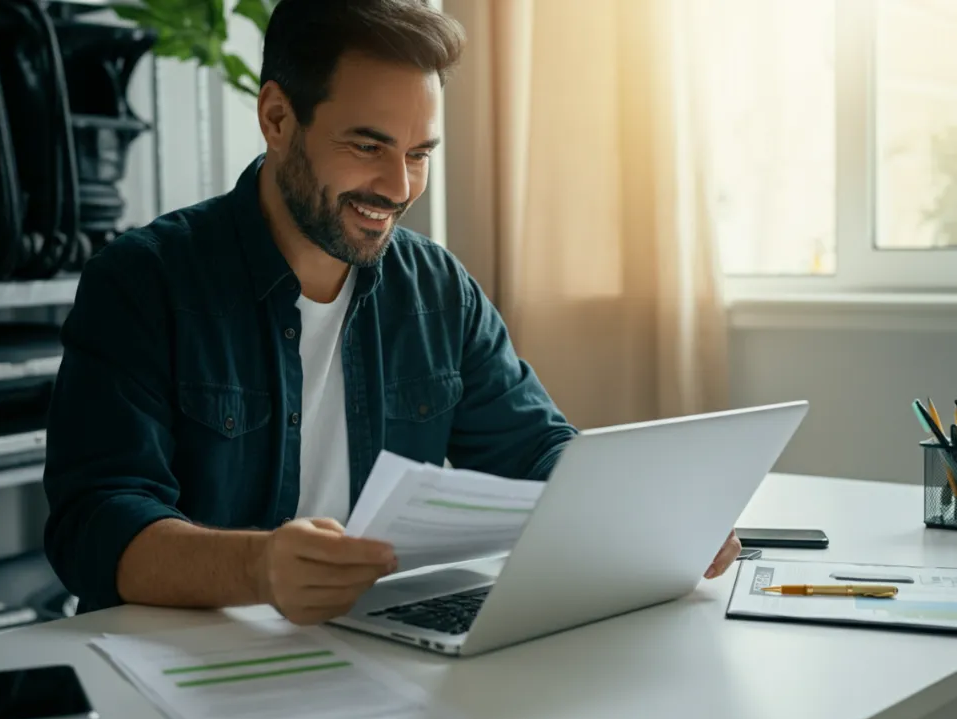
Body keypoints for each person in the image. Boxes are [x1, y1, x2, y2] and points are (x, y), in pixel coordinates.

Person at [43, 0, 741, 624]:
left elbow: (532, 451)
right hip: (178, 662)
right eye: (368, 145)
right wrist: (257, 569)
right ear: (277, 119)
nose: (399, 185)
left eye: (419, 153)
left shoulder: (437, 289)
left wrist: (654, 517)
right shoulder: (142, 282)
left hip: (371, 651)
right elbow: (96, 525)